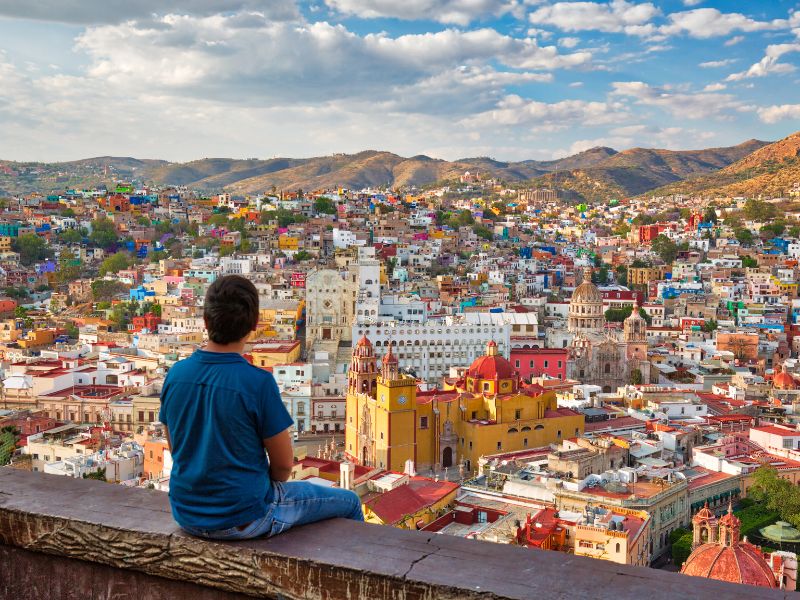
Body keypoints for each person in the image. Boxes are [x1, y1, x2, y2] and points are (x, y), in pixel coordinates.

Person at [159, 274, 363, 540]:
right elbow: (282, 467)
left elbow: (177, 449)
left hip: (186, 515)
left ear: (206, 321)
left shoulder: (176, 374)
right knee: (350, 502)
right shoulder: (257, 382)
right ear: (254, 324)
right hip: (246, 517)